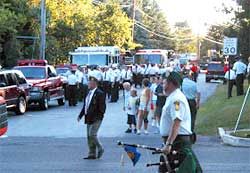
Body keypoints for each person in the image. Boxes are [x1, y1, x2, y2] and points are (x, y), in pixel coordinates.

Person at [160, 71, 203, 172]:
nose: (162, 85)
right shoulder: (172, 97)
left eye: (164, 83)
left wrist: (169, 144)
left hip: (178, 142)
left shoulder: (176, 99)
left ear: (171, 84)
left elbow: (177, 122)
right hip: (175, 141)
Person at [77, 77, 106, 160]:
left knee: (92, 134)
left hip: (96, 118)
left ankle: (100, 148)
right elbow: (85, 105)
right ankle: (91, 153)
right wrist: (80, 115)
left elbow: (102, 107)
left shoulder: (99, 93)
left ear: (94, 84)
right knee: (89, 136)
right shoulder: (88, 93)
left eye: (90, 83)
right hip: (88, 117)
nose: (88, 84)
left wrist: (100, 116)